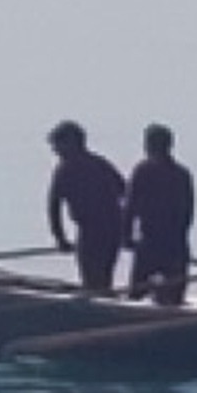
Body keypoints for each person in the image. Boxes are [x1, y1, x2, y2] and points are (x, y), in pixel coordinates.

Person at [44, 119, 128, 292]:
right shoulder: (100, 163)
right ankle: (102, 295)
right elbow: (125, 192)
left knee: (92, 277)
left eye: (58, 145)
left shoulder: (66, 170)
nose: (55, 151)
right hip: (112, 228)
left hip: (95, 230)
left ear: (71, 143)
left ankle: (97, 299)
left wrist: (60, 239)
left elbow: (54, 207)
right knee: (102, 277)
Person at [124, 123, 197, 305]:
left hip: (155, 242)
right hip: (171, 242)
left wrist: (126, 236)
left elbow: (130, 207)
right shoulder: (181, 174)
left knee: (139, 295)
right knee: (166, 294)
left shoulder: (145, 171)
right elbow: (188, 212)